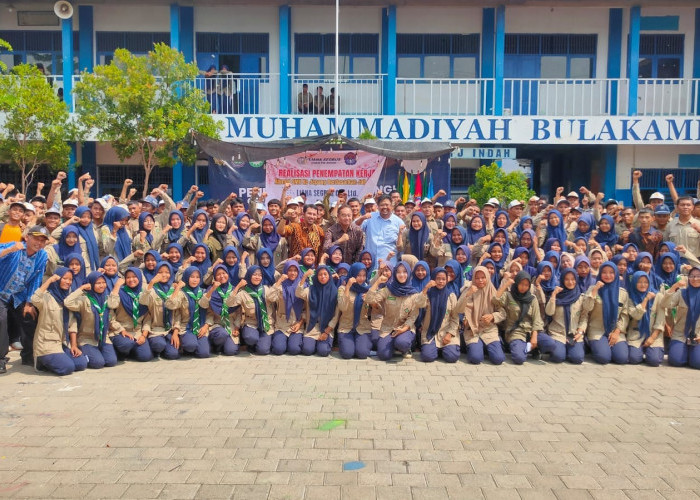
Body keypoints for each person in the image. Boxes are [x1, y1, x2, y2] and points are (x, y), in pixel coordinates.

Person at [0, 226, 50, 372]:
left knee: (29, 315)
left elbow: (36, 279)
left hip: (18, 295)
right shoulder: (13, 246)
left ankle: (29, 356)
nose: (39, 243)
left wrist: (29, 302)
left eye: (42, 240)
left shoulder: (42, 256)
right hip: (1, 292)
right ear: (27, 237)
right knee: (1, 319)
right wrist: (9, 250)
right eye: (36, 238)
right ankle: (1, 358)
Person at [30, 267, 88, 375]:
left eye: (70, 279)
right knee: (68, 368)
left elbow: (72, 324)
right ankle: (41, 361)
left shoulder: (67, 298)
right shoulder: (47, 297)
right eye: (64, 278)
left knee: (81, 363)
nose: (68, 282)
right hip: (47, 343)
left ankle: (58, 359)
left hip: (62, 343)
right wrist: (49, 281)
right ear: (57, 279)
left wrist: (74, 345)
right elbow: (34, 299)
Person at [364, 262, 420, 360]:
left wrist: (403, 329)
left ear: (409, 274)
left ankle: (405, 348)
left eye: (404, 272)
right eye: (398, 272)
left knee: (402, 343)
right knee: (383, 355)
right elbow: (369, 300)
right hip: (388, 328)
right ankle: (392, 345)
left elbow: (413, 316)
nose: (401, 275)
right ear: (395, 274)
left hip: (404, 328)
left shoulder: (413, 294)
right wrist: (377, 282)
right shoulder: (388, 290)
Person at [64, 271, 121, 369]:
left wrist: (117, 287)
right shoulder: (84, 299)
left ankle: (96, 352)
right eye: (98, 283)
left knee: (111, 361)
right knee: (98, 363)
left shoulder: (106, 299)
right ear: (91, 284)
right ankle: (85, 355)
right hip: (87, 338)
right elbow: (67, 302)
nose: (101, 286)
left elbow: (114, 304)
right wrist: (81, 288)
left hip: (103, 337)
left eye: (103, 283)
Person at [579, 262, 630, 365]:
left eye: (611, 272)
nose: (607, 275)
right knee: (604, 358)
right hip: (597, 330)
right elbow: (586, 309)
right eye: (604, 272)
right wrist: (595, 290)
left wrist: (617, 332)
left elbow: (624, 315)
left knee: (622, 358)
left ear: (616, 274)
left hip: (615, 331)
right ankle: (592, 345)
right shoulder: (592, 289)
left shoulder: (622, 293)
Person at [457, 265, 506, 365]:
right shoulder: (469, 290)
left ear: (487, 277)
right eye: (477, 278)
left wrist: (493, 316)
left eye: (483, 277)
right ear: (473, 278)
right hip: (472, 331)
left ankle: (485, 346)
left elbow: (502, 312)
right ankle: (477, 347)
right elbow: (458, 309)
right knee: (475, 358)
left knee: (498, 359)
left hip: (489, 330)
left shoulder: (492, 291)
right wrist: (467, 294)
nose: (480, 280)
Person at [494, 271, 544, 365]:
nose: (523, 287)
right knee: (519, 359)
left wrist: (534, 336)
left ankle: (528, 347)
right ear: (516, 283)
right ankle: (527, 348)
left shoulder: (532, 298)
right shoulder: (509, 295)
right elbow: (495, 300)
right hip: (515, 331)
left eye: (526, 285)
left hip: (530, 330)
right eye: (521, 284)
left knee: (551, 344)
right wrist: (505, 285)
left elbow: (537, 319)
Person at [659, 268, 700, 369]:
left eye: (698, 276)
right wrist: (674, 287)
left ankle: (691, 353)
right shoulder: (682, 293)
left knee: (697, 363)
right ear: (688, 278)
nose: (695, 279)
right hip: (680, 334)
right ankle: (686, 351)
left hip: (698, 335)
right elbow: (665, 304)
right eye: (692, 276)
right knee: (676, 360)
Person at [166, 267, 211, 358]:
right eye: (192, 277)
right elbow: (171, 306)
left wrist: (206, 326)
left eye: (197, 277)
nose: (195, 280)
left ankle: (194, 345)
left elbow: (210, 312)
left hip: (200, 328)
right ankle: (185, 344)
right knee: (190, 345)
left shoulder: (203, 292)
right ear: (186, 277)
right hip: (185, 328)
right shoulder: (182, 293)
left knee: (204, 353)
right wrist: (178, 287)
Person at [417, 268, 460, 363]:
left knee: (452, 357)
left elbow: (455, 317)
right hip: (430, 332)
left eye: (443, 279)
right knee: (427, 357)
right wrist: (426, 288)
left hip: (446, 331)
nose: (441, 281)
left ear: (446, 280)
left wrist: (449, 334)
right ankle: (435, 348)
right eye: (438, 278)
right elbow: (419, 304)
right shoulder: (428, 294)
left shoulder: (451, 296)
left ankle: (442, 349)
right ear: (433, 279)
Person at [110, 268, 153, 362]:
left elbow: (147, 318)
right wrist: (121, 330)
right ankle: (121, 351)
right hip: (121, 331)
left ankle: (131, 351)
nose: (131, 279)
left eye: (134, 277)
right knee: (126, 344)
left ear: (139, 278)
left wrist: (143, 335)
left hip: (137, 332)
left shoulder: (143, 294)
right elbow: (111, 314)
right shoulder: (120, 293)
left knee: (145, 356)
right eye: (128, 277)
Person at [296, 265, 338, 356]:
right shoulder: (311, 289)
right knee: (307, 350)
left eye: (325, 274)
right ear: (316, 276)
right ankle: (313, 344)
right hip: (312, 326)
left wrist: (327, 331)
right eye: (320, 274)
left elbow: (336, 315)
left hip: (327, 327)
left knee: (323, 351)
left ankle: (321, 345)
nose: (323, 277)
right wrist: (304, 276)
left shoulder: (334, 291)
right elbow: (299, 293)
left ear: (329, 276)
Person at [267, 261, 305, 355]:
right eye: (290, 270)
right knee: (278, 350)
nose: (292, 273)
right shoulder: (281, 287)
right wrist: (279, 281)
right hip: (282, 325)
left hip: (296, 324)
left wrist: (300, 323)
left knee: (294, 350)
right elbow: (270, 297)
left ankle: (291, 342)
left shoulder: (302, 286)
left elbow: (307, 309)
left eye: (295, 270)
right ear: (285, 271)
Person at [336, 263, 373, 359]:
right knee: (347, 353)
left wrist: (369, 299)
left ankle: (361, 344)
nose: (361, 278)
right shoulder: (342, 288)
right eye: (358, 275)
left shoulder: (367, 290)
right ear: (352, 275)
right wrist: (348, 287)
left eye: (364, 275)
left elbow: (376, 308)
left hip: (362, 327)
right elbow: (342, 307)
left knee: (362, 353)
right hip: (346, 327)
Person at [360, 195, 404, 265]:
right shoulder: (370, 217)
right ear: (377, 206)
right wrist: (362, 218)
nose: (385, 207)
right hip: (370, 264)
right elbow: (355, 227)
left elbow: (402, 246)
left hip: (389, 265)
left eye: (387, 205)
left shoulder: (399, 222)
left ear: (392, 206)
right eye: (382, 205)